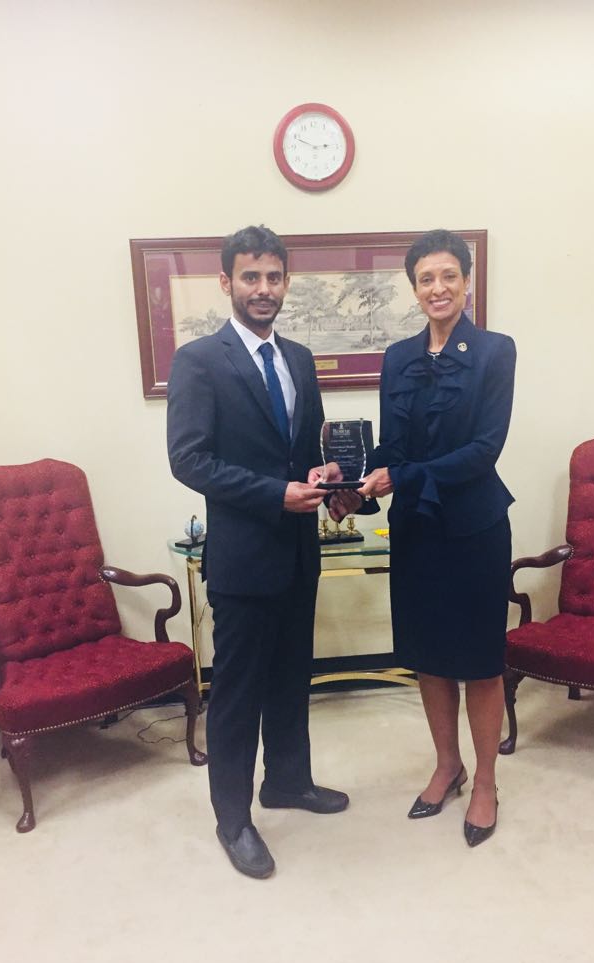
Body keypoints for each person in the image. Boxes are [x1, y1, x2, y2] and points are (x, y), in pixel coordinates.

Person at [167, 225, 350, 879]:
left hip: (300, 554)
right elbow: (189, 459)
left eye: (274, 277)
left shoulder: (299, 358)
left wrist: (330, 478)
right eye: (251, 277)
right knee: (239, 694)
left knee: (292, 678)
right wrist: (276, 494)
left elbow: (307, 447)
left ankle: (288, 782)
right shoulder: (199, 361)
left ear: (286, 282)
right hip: (244, 561)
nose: (263, 288)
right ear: (227, 282)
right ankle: (233, 820)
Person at [357, 229, 516, 848]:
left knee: (478, 660)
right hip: (416, 529)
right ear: (414, 288)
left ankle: (486, 782)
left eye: (449, 275)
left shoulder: (495, 351)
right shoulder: (397, 357)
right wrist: (355, 480)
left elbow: (484, 450)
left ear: (467, 281)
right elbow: (391, 447)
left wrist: (401, 476)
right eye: (426, 278)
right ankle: (448, 766)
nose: (438, 287)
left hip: (474, 527)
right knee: (428, 655)